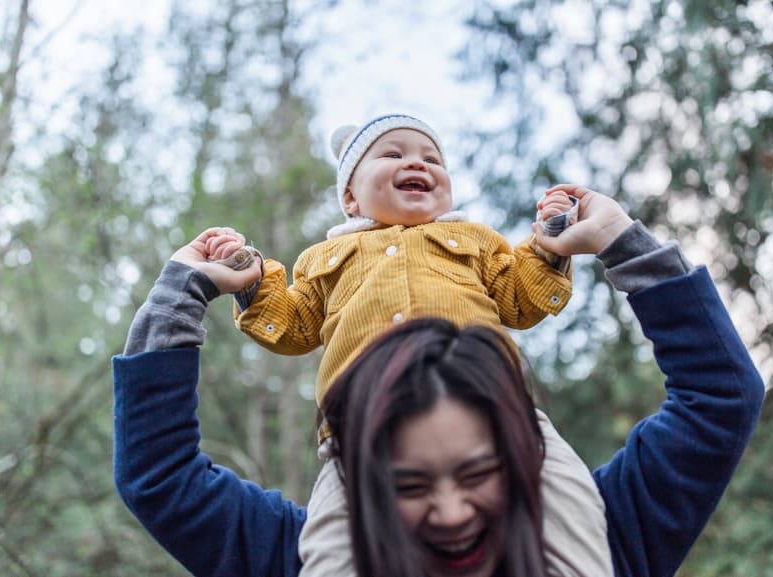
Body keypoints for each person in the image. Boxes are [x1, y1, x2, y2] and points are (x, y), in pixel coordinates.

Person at [113, 184, 765, 577]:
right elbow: (160, 476)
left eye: (481, 471)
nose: (452, 513)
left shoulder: (603, 534)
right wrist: (184, 291)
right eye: (408, 484)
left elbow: (722, 398)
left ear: (522, 449)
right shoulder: (312, 557)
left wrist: (621, 240)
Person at [205, 114, 602, 577]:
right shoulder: (324, 259)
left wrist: (552, 239)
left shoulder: (474, 240)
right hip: (359, 428)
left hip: (493, 407)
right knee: (332, 539)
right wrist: (251, 284)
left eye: (432, 158)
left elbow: (521, 298)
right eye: (393, 154)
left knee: (569, 494)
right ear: (350, 197)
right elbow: (291, 327)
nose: (418, 163)